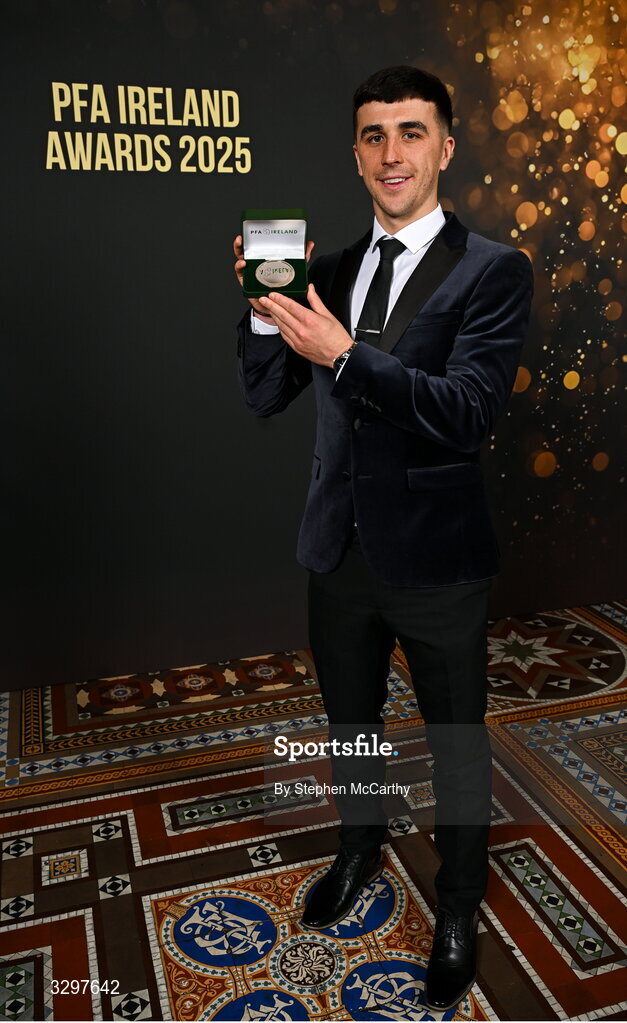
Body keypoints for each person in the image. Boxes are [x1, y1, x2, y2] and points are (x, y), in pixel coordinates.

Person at [233, 65, 533, 1012]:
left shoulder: (494, 270)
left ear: (445, 145)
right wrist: (259, 309)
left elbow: (467, 412)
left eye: (411, 132)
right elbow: (264, 394)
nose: (391, 152)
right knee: (352, 726)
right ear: (355, 154)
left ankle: (454, 906)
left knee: (453, 743)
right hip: (339, 551)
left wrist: (349, 357)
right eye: (373, 135)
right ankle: (359, 849)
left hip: (437, 559)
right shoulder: (323, 271)